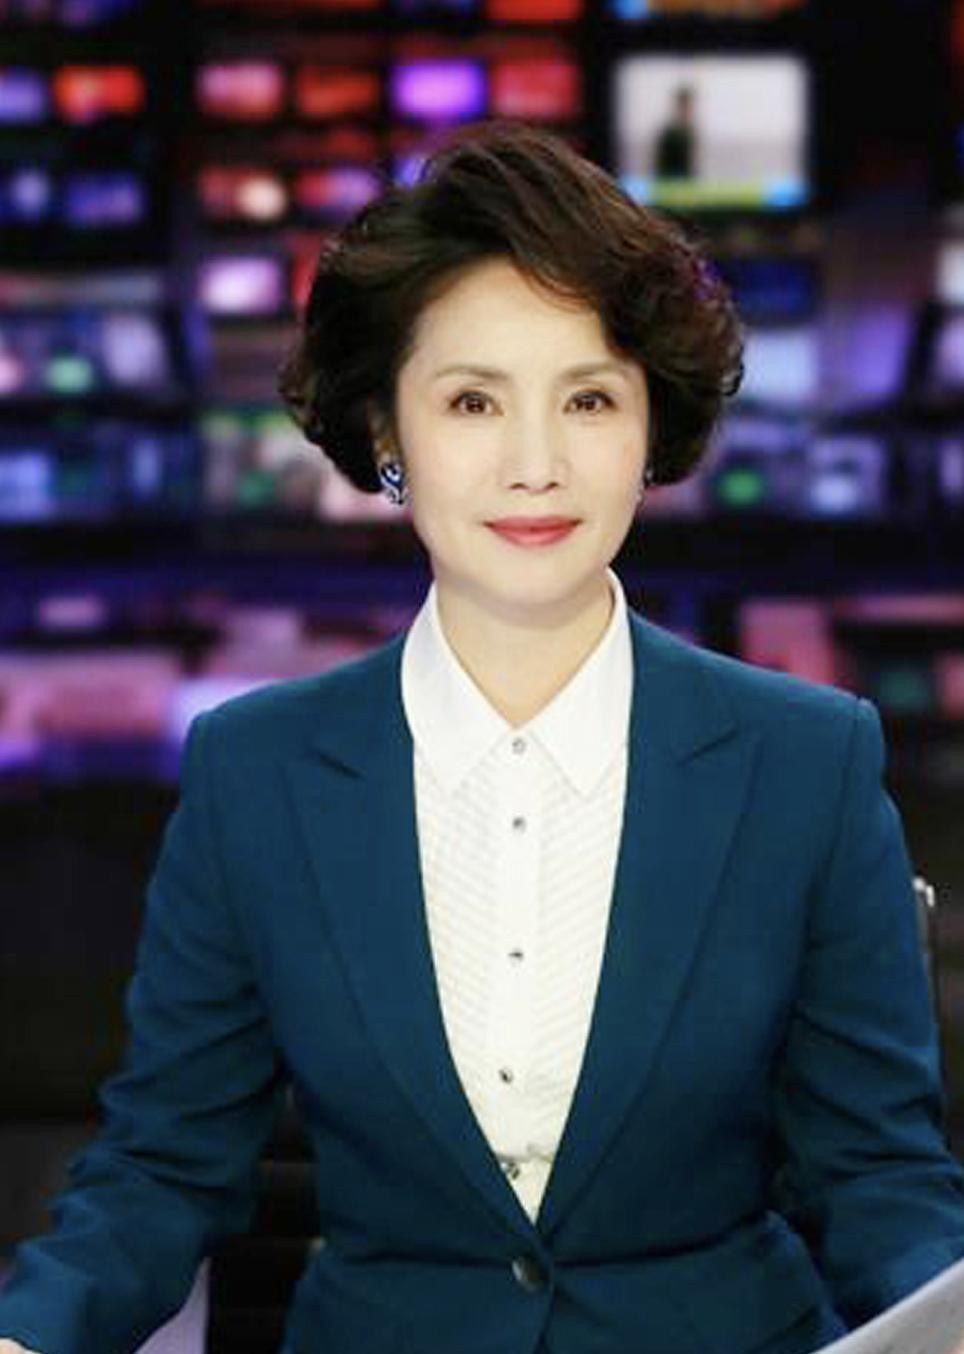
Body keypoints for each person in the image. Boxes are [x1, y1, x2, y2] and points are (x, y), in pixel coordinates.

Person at [2, 116, 964, 1354]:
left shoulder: (806, 762)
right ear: (387, 434)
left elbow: (880, 1180)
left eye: (587, 399)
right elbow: (160, 1167)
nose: (534, 463)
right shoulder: (259, 772)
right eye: (471, 400)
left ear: (649, 431)